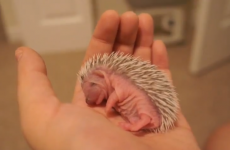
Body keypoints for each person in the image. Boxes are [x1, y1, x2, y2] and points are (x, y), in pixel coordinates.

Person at [15, 10, 201, 150]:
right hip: (142, 115)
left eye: (90, 90)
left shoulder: (120, 83)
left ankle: (143, 120)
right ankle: (142, 120)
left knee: (143, 110)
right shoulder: (112, 82)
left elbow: (115, 97)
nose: (88, 100)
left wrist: (110, 104)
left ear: (101, 77)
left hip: (145, 113)